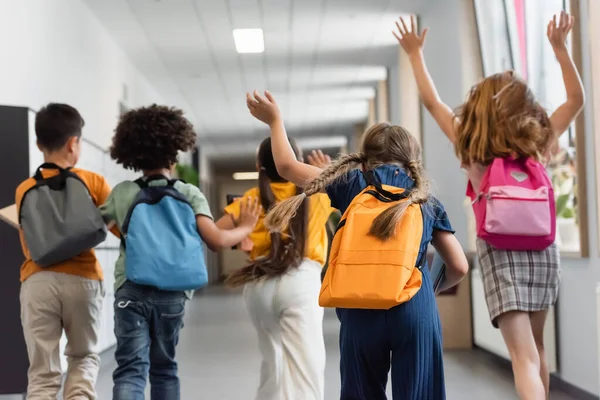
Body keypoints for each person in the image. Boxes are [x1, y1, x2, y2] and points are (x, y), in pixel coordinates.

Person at [394, 11, 584, 400]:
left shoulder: (473, 147)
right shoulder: (538, 142)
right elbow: (577, 100)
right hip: (543, 250)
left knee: (522, 357)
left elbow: (432, 103)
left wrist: (415, 54)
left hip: (500, 255)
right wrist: (561, 50)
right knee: (539, 348)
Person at [245, 90, 469, 399]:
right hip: (413, 307)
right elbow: (459, 266)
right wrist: (431, 290)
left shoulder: (352, 184)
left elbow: (286, 167)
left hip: (359, 308)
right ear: (411, 159)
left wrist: (275, 121)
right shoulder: (425, 198)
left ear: (365, 160)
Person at [100, 104, 260, 400]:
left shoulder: (122, 192)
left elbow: (97, 228)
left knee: (130, 370)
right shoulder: (189, 193)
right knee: (164, 369)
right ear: (174, 154)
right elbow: (218, 240)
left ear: (131, 153)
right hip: (172, 296)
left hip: (130, 291)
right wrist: (247, 226)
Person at [221, 137, 334, 400]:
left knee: (274, 365)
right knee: (307, 369)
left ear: (258, 165)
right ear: (296, 162)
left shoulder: (251, 198)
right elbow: (345, 189)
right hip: (301, 283)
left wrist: (243, 234)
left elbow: (214, 233)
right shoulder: (318, 192)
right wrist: (324, 172)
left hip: (259, 285)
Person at [16, 103, 113, 399]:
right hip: (82, 280)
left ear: (38, 143)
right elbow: (122, 227)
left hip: (38, 282)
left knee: (42, 373)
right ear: (74, 143)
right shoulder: (93, 181)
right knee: (83, 358)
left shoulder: (24, 189)